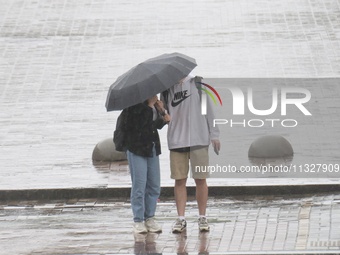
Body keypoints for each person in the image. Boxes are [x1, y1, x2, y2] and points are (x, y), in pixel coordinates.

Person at [161, 75, 220, 233]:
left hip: (199, 139)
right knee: (179, 181)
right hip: (176, 141)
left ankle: (202, 217)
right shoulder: (166, 90)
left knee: (201, 179)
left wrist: (214, 135)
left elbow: (209, 111)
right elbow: (162, 117)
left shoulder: (198, 84)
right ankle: (181, 218)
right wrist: (159, 110)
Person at [125, 95, 170, 234]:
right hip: (136, 148)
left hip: (152, 147)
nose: (154, 95)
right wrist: (150, 106)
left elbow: (154, 126)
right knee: (139, 185)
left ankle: (150, 217)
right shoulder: (133, 106)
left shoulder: (154, 106)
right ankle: (138, 220)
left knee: (154, 185)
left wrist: (162, 112)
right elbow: (140, 126)